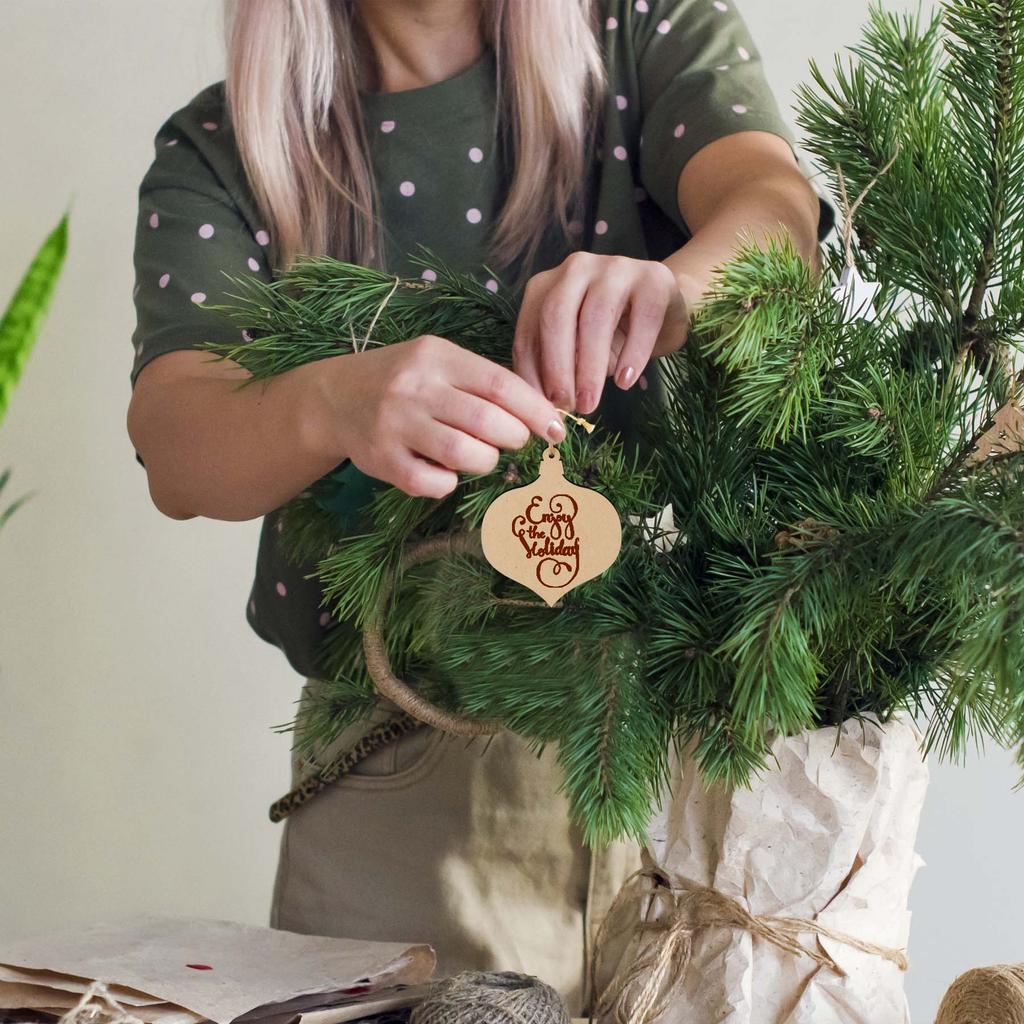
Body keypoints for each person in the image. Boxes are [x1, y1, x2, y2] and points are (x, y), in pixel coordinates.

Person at [126, 0, 833, 1014]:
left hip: (700, 768)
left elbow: (773, 207)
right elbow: (176, 440)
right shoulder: (226, 149)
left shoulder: (641, 33)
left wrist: (674, 290)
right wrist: (331, 400)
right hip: (398, 787)